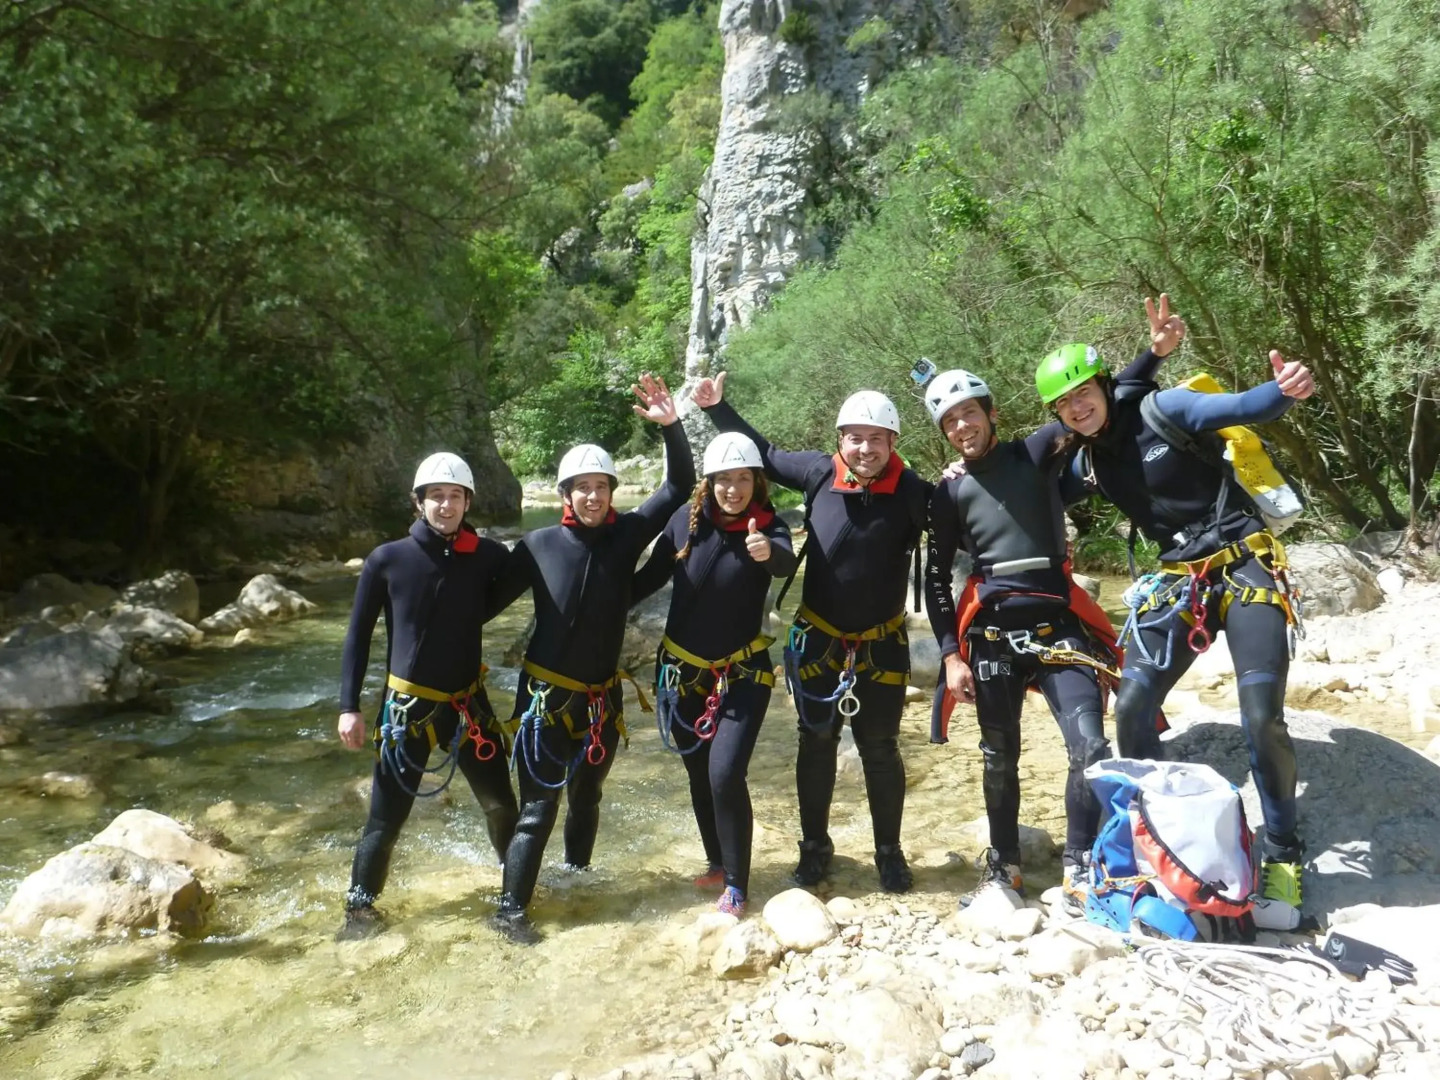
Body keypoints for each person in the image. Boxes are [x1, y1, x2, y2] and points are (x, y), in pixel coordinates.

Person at [1033, 303, 1316, 924]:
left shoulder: (1165, 412)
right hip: (1178, 583)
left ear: (1104, 387)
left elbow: (1241, 406)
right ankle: (1161, 834)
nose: (1078, 408)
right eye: (1065, 404)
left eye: (1084, 394)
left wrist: (1283, 390)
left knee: (1261, 716)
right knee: (1131, 705)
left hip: (1244, 565)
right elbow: (1028, 491)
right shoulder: (1087, 462)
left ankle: (1284, 853)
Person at [928, 297, 1185, 907]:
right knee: (999, 757)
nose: (963, 427)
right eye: (950, 423)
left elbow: (1093, 404)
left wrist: (1153, 354)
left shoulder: (1036, 451)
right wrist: (949, 657)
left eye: (970, 414)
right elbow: (937, 582)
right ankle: (1005, 868)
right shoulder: (950, 492)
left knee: (1091, 747)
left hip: (1057, 627)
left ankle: (1079, 863)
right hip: (991, 636)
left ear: (990, 414)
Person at [691, 374, 931, 893]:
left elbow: (966, 518)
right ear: (839, 440)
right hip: (818, 642)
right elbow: (765, 453)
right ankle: (814, 849)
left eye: (876, 439)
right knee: (816, 744)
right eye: (855, 437)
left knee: (881, 748)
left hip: (882, 643)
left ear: (893, 443)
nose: (864, 449)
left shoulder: (914, 494)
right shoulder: (820, 473)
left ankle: (888, 852)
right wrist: (718, 409)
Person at [485, 374, 693, 942]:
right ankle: (510, 913)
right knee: (537, 809)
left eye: (602, 486)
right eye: (583, 487)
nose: (594, 496)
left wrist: (671, 426)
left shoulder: (626, 536)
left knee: (588, 795)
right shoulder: (537, 546)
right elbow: (482, 605)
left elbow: (679, 485)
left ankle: (576, 880)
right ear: (564, 495)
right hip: (544, 700)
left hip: (601, 700)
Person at [336, 452, 518, 939]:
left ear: (467, 502)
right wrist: (348, 706)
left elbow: (532, 573)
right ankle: (359, 913)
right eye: (436, 495)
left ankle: (514, 896)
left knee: (502, 806)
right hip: (406, 710)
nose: (445, 504)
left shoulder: (487, 557)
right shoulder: (388, 559)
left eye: (455, 495)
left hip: (468, 706)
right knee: (385, 819)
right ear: (418, 503)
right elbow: (357, 635)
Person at [632, 432, 797, 916]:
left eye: (742, 478)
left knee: (725, 773)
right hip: (681, 672)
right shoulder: (684, 523)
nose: (732, 489)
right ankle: (717, 862)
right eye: (723, 479)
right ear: (709, 482)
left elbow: (785, 562)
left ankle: (739, 886)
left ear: (757, 482)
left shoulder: (769, 526)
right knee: (699, 773)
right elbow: (647, 581)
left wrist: (768, 552)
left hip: (743, 673)